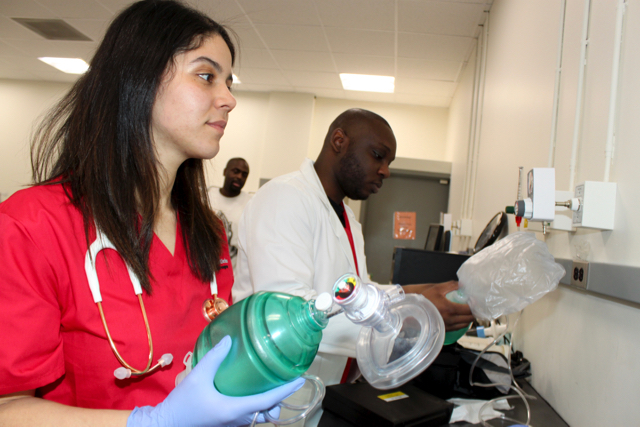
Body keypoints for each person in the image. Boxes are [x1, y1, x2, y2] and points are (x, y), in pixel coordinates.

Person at [0, 1, 302, 426]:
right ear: (138, 78)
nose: (230, 99)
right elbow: (7, 409)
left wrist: (243, 388)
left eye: (229, 82)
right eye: (206, 76)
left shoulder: (207, 233)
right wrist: (151, 422)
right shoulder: (33, 225)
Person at [234, 108, 475, 391]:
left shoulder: (348, 219)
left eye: (389, 161)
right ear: (339, 141)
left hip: (328, 388)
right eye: (378, 155)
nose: (385, 170)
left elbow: (355, 295)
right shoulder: (284, 198)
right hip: (276, 393)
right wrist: (408, 316)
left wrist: (412, 294)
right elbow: (291, 315)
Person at [208, 158, 252, 270]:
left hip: (232, 273)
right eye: (236, 171)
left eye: (244, 174)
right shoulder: (207, 197)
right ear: (225, 171)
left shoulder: (250, 203)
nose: (239, 177)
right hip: (204, 267)